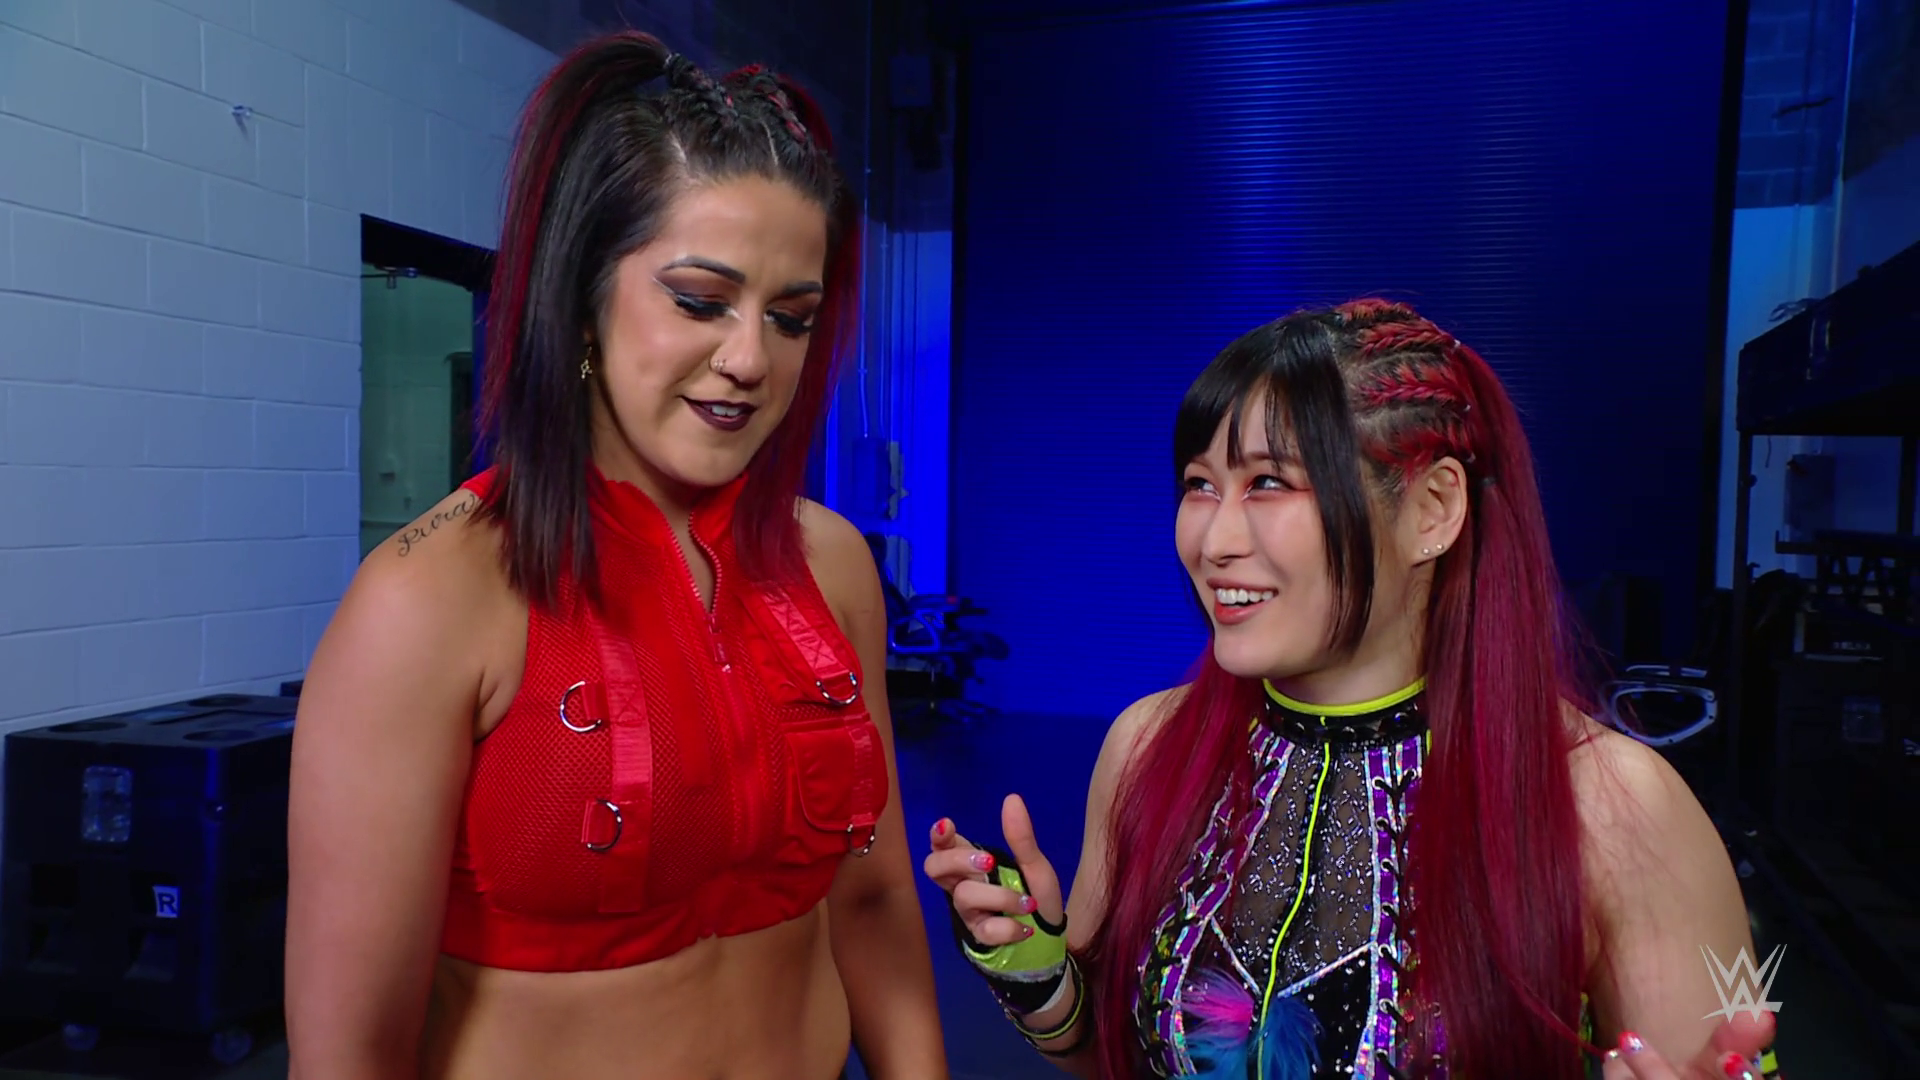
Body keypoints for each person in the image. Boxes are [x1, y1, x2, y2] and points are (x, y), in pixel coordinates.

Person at [285, 31, 946, 1080]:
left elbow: (870, 901)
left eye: (791, 318)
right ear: (586, 296)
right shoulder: (431, 597)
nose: (749, 358)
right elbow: (349, 1053)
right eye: (699, 301)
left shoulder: (831, 567)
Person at [923, 299, 1782, 1079]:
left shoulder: (1615, 804)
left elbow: (1731, 1056)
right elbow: (1118, 1057)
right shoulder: (1148, 746)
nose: (1212, 542)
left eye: (1268, 483)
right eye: (1199, 486)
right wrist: (1037, 974)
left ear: (1434, 509)